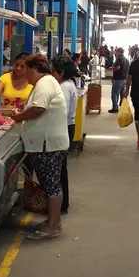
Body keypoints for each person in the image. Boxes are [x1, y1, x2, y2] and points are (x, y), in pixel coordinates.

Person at [11, 55, 70, 239]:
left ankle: (52, 226)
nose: (24, 74)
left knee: (51, 185)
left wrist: (18, 117)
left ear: (34, 69)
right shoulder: (46, 83)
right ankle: (55, 221)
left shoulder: (45, 83)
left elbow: (38, 109)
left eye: (26, 69)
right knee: (49, 184)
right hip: (46, 144)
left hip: (48, 145)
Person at [51, 56, 81, 214]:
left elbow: (62, 112)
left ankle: (61, 204)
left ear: (61, 72)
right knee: (61, 168)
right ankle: (63, 203)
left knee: (59, 169)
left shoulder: (64, 87)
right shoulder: (69, 84)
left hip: (64, 127)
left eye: (53, 70)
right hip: (67, 126)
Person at [109, 47, 129, 113]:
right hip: (124, 79)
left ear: (118, 52)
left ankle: (115, 108)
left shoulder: (118, 59)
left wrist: (113, 68)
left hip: (118, 79)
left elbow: (117, 67)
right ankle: (122, 107)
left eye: (116, 52)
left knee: (115, 93)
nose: (115, 53)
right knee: (122, 94)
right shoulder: (126, 60)